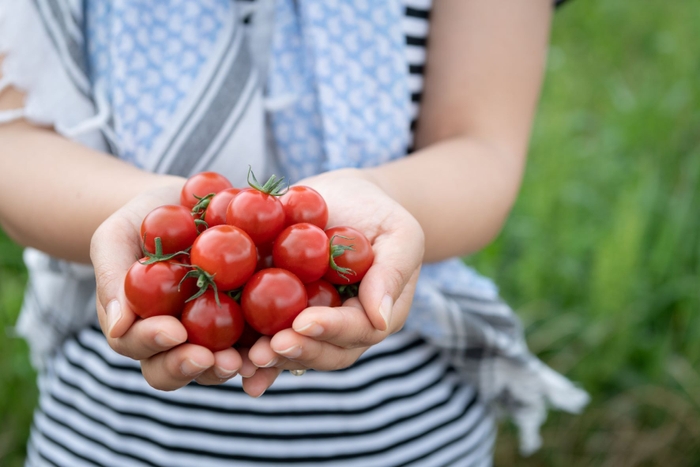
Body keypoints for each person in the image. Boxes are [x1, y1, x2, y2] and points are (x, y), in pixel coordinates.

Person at [0, 0, 588, 465]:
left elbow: (480, 149)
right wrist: (129, 210)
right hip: (112, 436)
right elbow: (13, 144)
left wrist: (384, 203)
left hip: (404, 431)